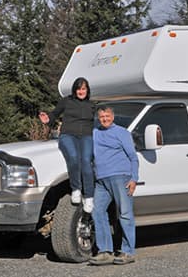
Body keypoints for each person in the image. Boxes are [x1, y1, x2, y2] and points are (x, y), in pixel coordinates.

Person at [89, 106, 139, 266]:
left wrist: (134, 179)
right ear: (98, 117)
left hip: (121, 177)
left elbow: (133, 157)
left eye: (107, 116)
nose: (105, 119)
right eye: (102, 116)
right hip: (101, 179)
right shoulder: (94, 133)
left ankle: (128, 251)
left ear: (113, 116)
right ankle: (105, 251)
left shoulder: (122, 133)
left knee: (124, 214)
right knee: (97, 211)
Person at [39, 77, 95, 213]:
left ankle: (89, 197)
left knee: (87, 161)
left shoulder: (92, 105)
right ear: (74, 90)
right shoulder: (67, 101)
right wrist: (48, 119)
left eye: (84, 89)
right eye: (79, 88)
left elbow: (99, 122)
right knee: (73, 157)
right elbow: (54, 114)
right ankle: (76, 189)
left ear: (87, 90)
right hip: (68, 135)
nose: (81, 91)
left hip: (86, 136)